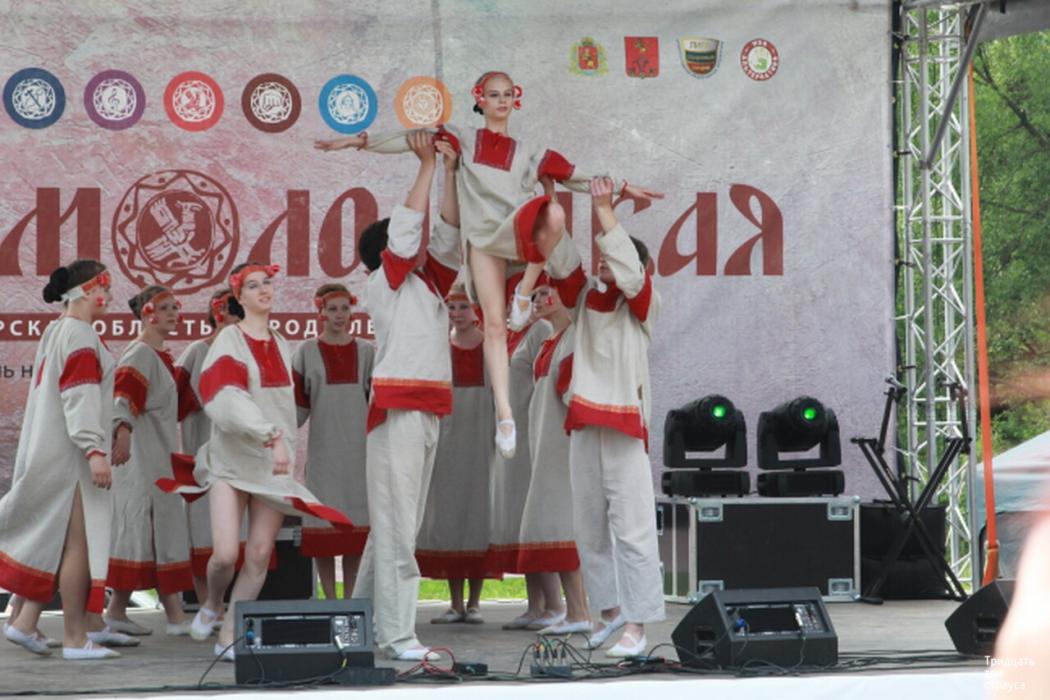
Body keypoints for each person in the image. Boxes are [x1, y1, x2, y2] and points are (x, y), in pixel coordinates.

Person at [315, 70, 662, 460]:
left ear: (517, 99)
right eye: (494, 94)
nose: (501, 101)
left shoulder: (530, 151)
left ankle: (525, 293)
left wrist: (623, 186)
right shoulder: (461, 137)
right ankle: (505, 415)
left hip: (516, 233)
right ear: (479, 99)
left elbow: (577, 176)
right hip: (482, 241)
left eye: (508, 94)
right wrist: (359, 142)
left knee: (553, 215)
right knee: (494, 326)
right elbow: (412, 138)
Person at [157, 262, 352, 661]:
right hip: (232, 462)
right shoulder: (230, 339)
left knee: (260, 553)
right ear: (239, 297)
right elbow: (226, 397)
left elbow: (285, 405)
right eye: (253, 285)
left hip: (270, 467)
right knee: (226, 555)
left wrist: (280, 444)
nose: (264, 289)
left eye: (267, 283)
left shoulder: (281, 343)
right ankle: (213, 603)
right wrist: (270, 435)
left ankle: (229, 632)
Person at [350, 131, 461, 661]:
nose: (419, 245)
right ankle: (397, 636)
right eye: (406, 241)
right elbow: (409, 230)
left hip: (427, 411)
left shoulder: (429, 284)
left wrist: (451, 172)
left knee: (396, 527)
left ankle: (359, 623)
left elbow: (450, 234)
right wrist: (424, 166)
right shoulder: (384, 283)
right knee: (398, 530)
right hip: (398, 413)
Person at [546, 177, 664, 657]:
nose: (602, 264)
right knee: (589, 526)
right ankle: (609, 611)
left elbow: (631, 277)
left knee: (632, 528)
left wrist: (604, 210)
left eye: (612, 258)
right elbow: (562, 262)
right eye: (601, 259)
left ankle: (638, 624)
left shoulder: (643, 305)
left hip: (623, 425)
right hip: (584, 423)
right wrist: (550, 200)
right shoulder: (583, 301)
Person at [0, 260, 121, 660]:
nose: (110, 296)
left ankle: (25, 621)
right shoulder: (80, 335)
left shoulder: (58, 329)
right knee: (78, 546)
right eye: (105, 288)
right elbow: (79, 395)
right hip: (72, 457)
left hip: (56, 449)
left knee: (58, 540)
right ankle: (74, 637)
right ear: (87, 291)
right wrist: (94, 450)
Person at [103, 286, 194, 636]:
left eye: (175, 307)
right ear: (147, 314)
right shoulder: (140, 353)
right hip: (141, 458)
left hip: (158, 455)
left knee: (156, 530)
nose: (173, 314)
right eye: (165, 308)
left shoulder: (157, 355)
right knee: (144, 528)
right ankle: (170, 616)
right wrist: (123, 431)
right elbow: (122, 397)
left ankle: (125, 611)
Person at [416, 283, 498, 625]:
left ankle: (475, 603)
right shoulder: (439, 347)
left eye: (463, 306)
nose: (457, 314)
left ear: (476, 309)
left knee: (477, 516)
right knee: (448, 516)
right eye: (451, 307)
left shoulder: (490, 345)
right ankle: (454, 603)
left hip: (481, 437)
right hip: (447, 438)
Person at [292, 283, 374, 598]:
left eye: (345, 308)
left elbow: (375, 404)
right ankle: (329, 598)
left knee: (355, 531)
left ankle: (350, 600)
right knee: (323, 531)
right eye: (333, 309)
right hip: (324, 455)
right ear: (321, 312)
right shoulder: (306, 351)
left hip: (359, 455)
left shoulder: (366, 352)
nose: (340, 315)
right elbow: (296, 408)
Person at [517, 282, 590, 635]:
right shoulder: (550, 339)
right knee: (552, 524)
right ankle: (574, 611)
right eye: (534, 295)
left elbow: (575, 392)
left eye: (548, 292)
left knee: (563, 526)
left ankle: (579, 612)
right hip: (545, 440)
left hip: (563, 443)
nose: (539, 300)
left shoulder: (575, 337)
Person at [491, 284, 564, 631]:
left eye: (537, 297)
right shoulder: (508, 336)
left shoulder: (541, 331)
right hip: (511, 438)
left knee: (536, 519)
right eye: (525, 297)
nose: (532, 304)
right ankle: (535, 605)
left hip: (531, 435)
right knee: (520, 521)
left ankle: (556, 605)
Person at [173, 289, 244, 605]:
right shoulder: (196, 352)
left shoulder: (248, 351)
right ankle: (207, 605)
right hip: (204, 453)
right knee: (204, 530)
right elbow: (170, 401)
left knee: (239, 534)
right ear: (218, 313)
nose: (237, 318)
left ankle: (234, 606)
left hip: (240, 456)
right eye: (233, 310)